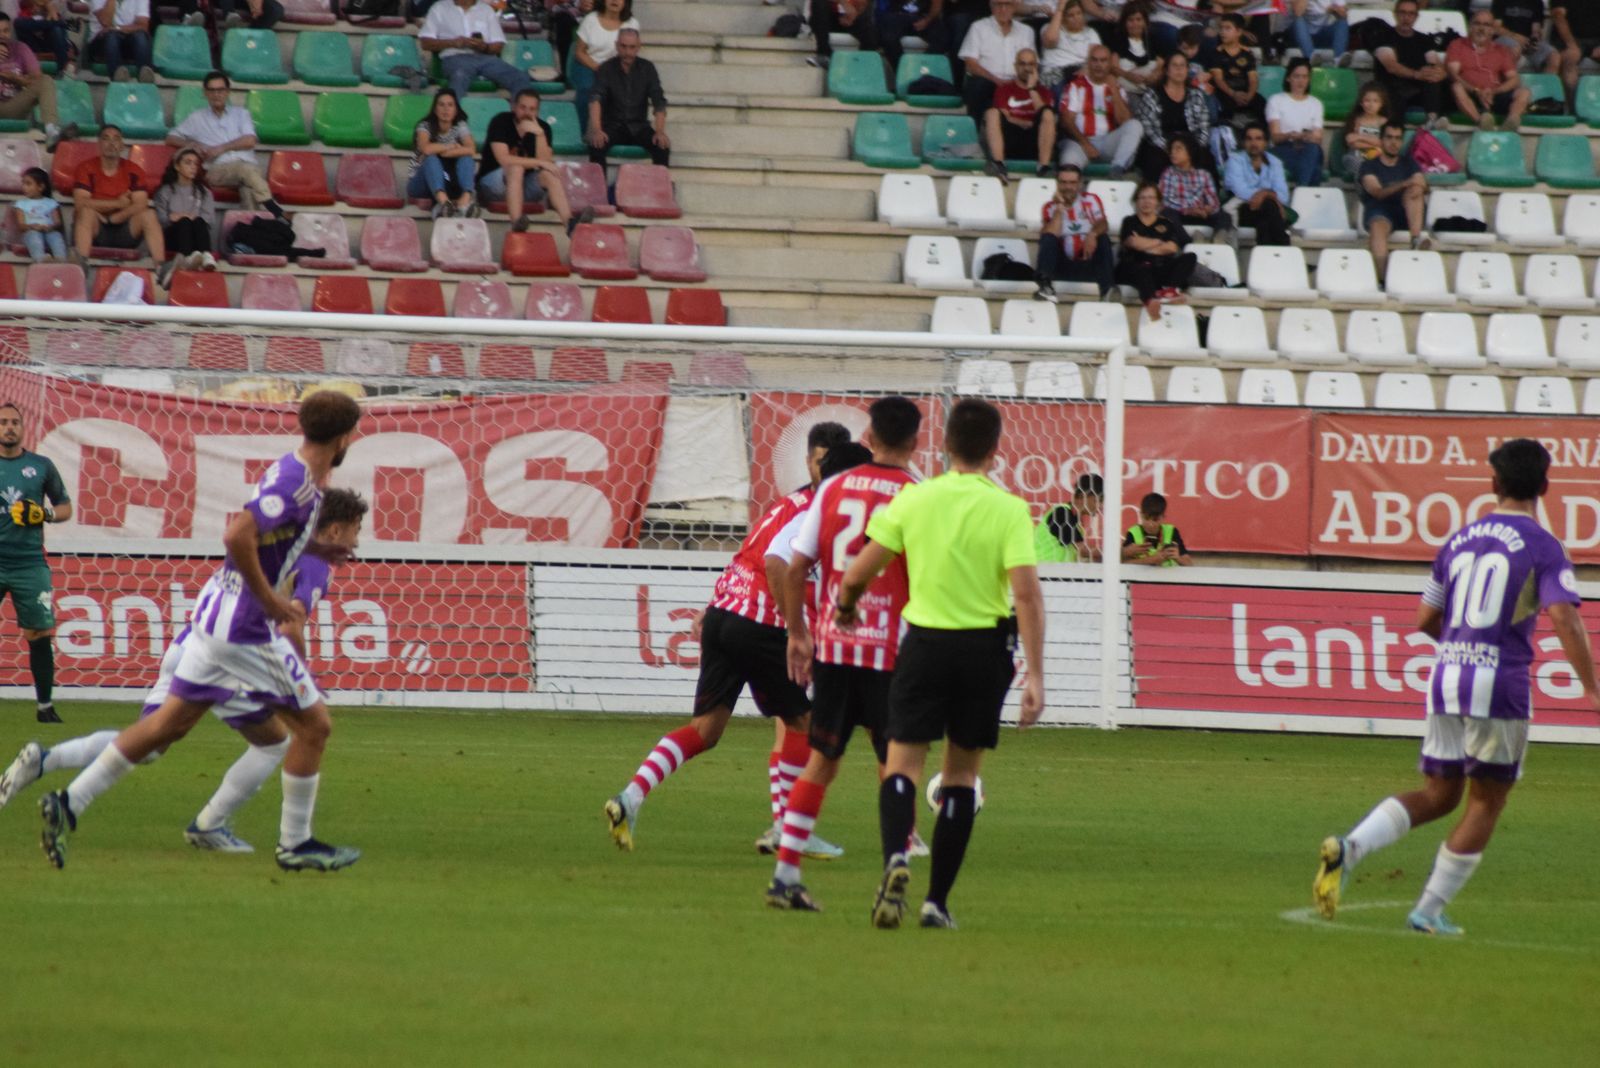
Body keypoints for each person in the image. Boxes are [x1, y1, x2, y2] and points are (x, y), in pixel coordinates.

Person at [37, 391, 365, 873]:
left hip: (214, 618)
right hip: (244, 627)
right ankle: (295, 843)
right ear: (343, 439)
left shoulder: (300, 472)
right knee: (315, 726)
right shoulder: (295, 484)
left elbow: (271, 533)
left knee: (164, 728)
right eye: (352, 433)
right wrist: (268, 596)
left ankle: (69, 802)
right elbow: (237, 534)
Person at [1312, 439, 1600, 937]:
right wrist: (1592, 688)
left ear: (1493, 483)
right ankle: (1428, 911)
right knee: (1486, 801)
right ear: (1545, 487)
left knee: (1440, 793)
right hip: (1499, 683)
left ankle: (1351, 847)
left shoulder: (1460, 540)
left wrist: (1462, 646)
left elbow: (1425, 617)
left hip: (1446, 676)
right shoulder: (1544, 547)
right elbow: (1564, 616)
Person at [0, 489, 369, 854]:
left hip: (190, 644)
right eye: (356, 529)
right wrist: (297, 676)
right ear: (335, 530)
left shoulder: (274, 546)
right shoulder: (315, 564)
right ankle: (213, 825)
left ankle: (46, 761)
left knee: (150, 742)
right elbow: (292, 624)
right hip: (232, 658)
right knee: (274, 743)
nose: (356, 541)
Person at [842, 397, 1046, 930]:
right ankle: (936, 903)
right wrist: (1036, 675)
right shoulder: (1009, 509)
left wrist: (846, 606)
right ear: (995, 450)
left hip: (926, 646)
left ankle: (896, 857)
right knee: (960, 775)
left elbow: (858, 572)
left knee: (902, 764)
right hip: (984, 651)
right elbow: (1026, 595)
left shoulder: (915, 498)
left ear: (945, 444)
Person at [604, 422, 853, 856]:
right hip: (758, 623)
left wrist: (714, 605)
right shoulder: (814, 509)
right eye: (820, 462)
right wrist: (794, 629)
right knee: (803, 723)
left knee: (707, 730)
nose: (825, 470)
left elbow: (748, 555)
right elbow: (774, 564)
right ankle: (790, 829)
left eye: (830, 462)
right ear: (809, 462)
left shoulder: (788, 503)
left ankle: (631, 797)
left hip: (726, 614)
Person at [764, 400, 924, 911]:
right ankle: (896, 859)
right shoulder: (916, 495)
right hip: (889, 651)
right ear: (915, 442)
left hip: (834, 647)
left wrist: (798, 634)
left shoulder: (832, 488)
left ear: (869, 435)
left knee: (822, 762)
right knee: (897, 762)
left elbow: (795, 567)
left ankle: (786, 876)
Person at [0, 402, 71, 725]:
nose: (9, 427)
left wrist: (44, 514)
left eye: (14, 422)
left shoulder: (41, 466)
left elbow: (65, 506)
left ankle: (45, 706)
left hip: (29, 564)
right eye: (3, 422)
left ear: (22, 427)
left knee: (39, 633)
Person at [166, 71, 283, 217]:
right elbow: (170, 138)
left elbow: (250, 141)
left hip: (249, 169)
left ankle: (252, 226)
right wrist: (192, 144)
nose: (216, 94)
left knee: (248, 189)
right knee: (245, 171)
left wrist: (221, 148)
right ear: (205, 93)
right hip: (217, 170)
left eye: (220, 90)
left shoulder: (241, 114)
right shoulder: (197, 117)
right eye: (212, 90)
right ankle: (271, 205)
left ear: (228, 92)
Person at [479, 89, 590, 236]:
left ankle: (570, 224)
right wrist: (538, 162)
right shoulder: (501, 121)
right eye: (523, 107)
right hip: (494, 185)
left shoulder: (543, 128)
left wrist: (540, 134)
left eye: (532, 109)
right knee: (516, 168)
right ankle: (516, 223)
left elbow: (545, 163)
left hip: (524, 187)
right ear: (514, 107)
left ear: (537, 111)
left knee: (549, 175)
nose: (527, 113)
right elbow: (503, 159)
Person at [72, 125, 166, 271]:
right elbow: (81, 203)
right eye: (106, 138)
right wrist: (118, 203)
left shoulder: (134, 170)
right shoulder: (85, 168)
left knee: (149, 214)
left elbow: (141, 204)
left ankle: (161, 268)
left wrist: (115, 218)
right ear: (99, 144)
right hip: (97, 228)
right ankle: (80, 267)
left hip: (125, 228)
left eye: (116, 139)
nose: (111, 143)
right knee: (85, 213)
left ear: (122, 145)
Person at [419, 0, 533, 103]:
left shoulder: (486, 10)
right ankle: (454, 118)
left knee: (520, 78)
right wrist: (454, 43)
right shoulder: (439, 8)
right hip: (454, 58)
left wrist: (484, 47)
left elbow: (498, 45)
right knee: (459, 76)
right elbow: (425, 43)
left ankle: (521, 117)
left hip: (486, 59)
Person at [586, 29, 670, 168]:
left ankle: (659, 183)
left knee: (662, 146)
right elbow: (595, 99)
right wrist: (596, 129)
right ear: (617, 46)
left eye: (632, 47)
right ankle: (599, 183)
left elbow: (658, 101)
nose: (627, 52)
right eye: (623, 46)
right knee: (596, 145)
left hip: (639, 127)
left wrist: (660, 131)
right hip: (613, 126)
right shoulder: (606, 68)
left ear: (638, 47)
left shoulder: (647, 68)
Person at [1056, 43, 1142, 174]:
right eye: (1094, 60)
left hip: (1107, 142)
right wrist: (1085, 143)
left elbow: (1125, 121)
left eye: (1103, 61)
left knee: (1135, 125)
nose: (1098, 65)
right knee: (1069, 162)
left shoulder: (1117, 88)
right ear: (1088, 63)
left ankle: (1117, 168)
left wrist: (1113, 90)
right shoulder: (1076, 85)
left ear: (1110, 64)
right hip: (1080, 142)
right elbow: (1066, 120)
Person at [1034, 164, 1114, 301]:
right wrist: (1059, 208)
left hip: (1088, 262)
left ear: (1080, 184)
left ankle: (1107, 291)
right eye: (1063, 182)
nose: (1068, 187)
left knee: (1103, 238)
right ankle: (1046, 287)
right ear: (1057, 184)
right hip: (1062, 266)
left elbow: (1103, 223)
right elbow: (1049, 235)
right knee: (1048, 238)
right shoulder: (1050, 207)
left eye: (1072, 183)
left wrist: (1093, 234)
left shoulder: (1091, 200)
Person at [1117, 181, 1196, 320]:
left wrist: (1145, 245)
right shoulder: (1129, 221)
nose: (1147, 201)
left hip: (1159, 267)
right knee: (1141, 268)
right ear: (1136, 201)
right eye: (1142, 197)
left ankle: (1169, 291)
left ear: (1158, 202)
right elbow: (1133, 243)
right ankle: (1151, 301)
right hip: (1134, 266)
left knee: (1190, 257)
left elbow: (1172, 248)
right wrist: (1159, 242)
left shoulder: (1166, 223)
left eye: (1151, 198)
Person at [1359, 120, 1430, 275]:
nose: (1393, 142)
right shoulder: (1369, 166)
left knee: (1416, 189)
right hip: (1381, 210)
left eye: (1398, 138)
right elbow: (1377, 192)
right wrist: (1405, 183)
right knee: (1377, 227)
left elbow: (1422, 184)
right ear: (1381, 140)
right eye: (1389, 137)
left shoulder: (1409, 163)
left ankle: (1415, 239)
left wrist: (1418, 185)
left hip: (1407, 211)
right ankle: (1383, 278)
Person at [1447, 7, 1532, 130]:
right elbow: (1453, 74)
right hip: (1470, 93)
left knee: (1524, 92)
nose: (1481, 29)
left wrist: (1494, 91)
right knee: (1456, 87)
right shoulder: (1457, 45)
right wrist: (1476, 90)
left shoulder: (1501, 50)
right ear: (1470, 27)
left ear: (1492, 30)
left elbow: (1514, 79)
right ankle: (1481, 122)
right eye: (1477, 24)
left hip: (1493, 94)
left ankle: (1510, 123)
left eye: (1486, 25)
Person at [1133, 50, 1211, 181]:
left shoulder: (1196, 94)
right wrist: (1171, 149)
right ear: (1167, 71)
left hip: (1189, 145)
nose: (1179, 69)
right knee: (1155, 159)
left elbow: (1204, 127)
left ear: (1187, 70)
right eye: (1175, 65)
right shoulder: (1152, 94)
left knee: (1206, 157)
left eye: (1182, 66)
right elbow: (1148, 128)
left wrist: (1192, 150)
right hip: (1160, 145)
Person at [957, 0, 1037, 121]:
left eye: (1008, 4)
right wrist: (997, 80)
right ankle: (973, 128)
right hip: (988, 83)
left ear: (1015, 6)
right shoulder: (978, 27)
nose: (1003, 9)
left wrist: (1016, 82)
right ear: (991, 6)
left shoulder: (1026, 31)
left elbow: (1033, 63)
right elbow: (970, 64)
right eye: (999, 4)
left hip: (1017, 83)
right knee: (978, 85)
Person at [1375, 0, 1450, 128]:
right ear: (1395, 14)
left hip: (1416, 89)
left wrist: (1438, 73)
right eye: (1402, 13)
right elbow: (1391, 66)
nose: (1406, 18)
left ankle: (1432, 121)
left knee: (1434, 80)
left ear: (1416, 16)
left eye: (1411, 14)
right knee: (1395, 94)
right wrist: (1416, 74)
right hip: (1391, 88)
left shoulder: (1424, 39)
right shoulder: (1383, 36)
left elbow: (1435, 63)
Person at [0, 14, 70, 151]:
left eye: (5, 31)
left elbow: (37, 78)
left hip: (13, 106)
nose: (2, 35)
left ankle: (51, 131)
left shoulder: (20, 48)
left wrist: (17, 79)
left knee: (45, 81)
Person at [984, 48, 1058, 179]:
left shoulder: (1044, 91)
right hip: (1011, 138)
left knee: (1048, 113)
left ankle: (1043, 167)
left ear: (1036, 67)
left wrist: (1031, 89)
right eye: (1022, 64)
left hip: (1035, 140)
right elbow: (1004, 116)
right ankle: (999, 165)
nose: (1027, 68)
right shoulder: (1004, 89)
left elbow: (1045, 115)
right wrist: (1026, 122)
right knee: (991, 113)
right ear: (1015, 66)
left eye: (1031, 64)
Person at [152, 147, 217, 284]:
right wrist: (174, 218)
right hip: (173, 237)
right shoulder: (165, 191)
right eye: (188, 162)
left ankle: (205, 254)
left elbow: (208, 220)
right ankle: (187, 257)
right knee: (184, 222)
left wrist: (183, 216)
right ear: (177, 166)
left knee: (198, 221)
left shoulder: (204, 192)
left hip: (196, 235)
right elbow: (161, 220)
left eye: (196, 164)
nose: (193, 167)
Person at [410, 89, 478, 219]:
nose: (446, 109)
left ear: (456, 110)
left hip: (449, 180)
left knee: (466, 159)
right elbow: (426, 149)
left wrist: (443, 152)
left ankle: (465, 201)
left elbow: (471, 149)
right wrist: (450, 146)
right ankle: (444, 204)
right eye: (441, 105)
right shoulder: (425, 126)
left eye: (450, 105)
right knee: (431, 159)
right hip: (421, 184)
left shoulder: (460, 126)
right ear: (435, 109)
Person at [1224, 122, 1292, 246]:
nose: (1254, 143)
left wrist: (1265, 194)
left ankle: (1264, 252)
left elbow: (1283, 196)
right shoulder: (1235, 160)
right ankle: (1284, 248)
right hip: (1242, 209)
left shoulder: (1275, 163)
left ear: (1265, 142)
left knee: (1265, 219)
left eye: (1258, 139)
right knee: (1269, 206)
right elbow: (1240, 190)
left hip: (1266, 211)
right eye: (1249, 139)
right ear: (1244, 142)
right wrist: (1267, 194)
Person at [1159, 133, 1232, 243]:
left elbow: (1214, 202)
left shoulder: (1203, 175)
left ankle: (1217, 241)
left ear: (1190, 153)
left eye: (1178, 149)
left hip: (1201, 214)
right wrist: (1188, 209)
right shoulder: (1168, 173)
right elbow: (1165, 201)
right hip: (1180, 215)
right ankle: (1189, 242)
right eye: (1172, 149)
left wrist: (1207, 209)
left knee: (1224, 216)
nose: (1173, 153)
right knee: (1167, 213)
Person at [1266, 59, 1325, 188]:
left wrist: (1305, 137)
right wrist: (1290, 135)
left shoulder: (1316, 103)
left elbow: (1318, 138)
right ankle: (1303, 191)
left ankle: (1301, 189)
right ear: (1288, 78)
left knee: (1313, 149)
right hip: (1284, 147)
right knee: (1315, 170)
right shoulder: (1276, 100)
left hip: (1307, 147)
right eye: (1296, 76)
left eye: (1304, 77)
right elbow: (1275, 137)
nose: (1301, 81)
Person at [1034, 472, 1102, 563]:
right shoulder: (1061, 513)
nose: (1100, 506)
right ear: (1083, 496)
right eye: (1097, 500)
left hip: (1053, 569)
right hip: (1042, 568)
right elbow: (1083, 550)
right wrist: (1113, 554)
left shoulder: (1075, 521)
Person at [1209, 14, 1264, 126]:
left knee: (1262, 105)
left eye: (1227, 28)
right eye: (1221, 28)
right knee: (1225, 107)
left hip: (1245, 91)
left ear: (1239, 32)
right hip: (1225, 92)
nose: (1222, 32)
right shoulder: (1216, 53)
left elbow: (1253, 79)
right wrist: (1233, 94)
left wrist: (1249, 95)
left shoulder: (1247, 53)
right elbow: (1218, 80)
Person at [87, 0, 153, 83]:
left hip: (128, 41)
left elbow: (142, 25)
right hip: (101, 44)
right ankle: (118, 78)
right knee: (112, 36)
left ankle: (145, 78)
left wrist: (118, 28)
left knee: (140, 36)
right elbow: (106, 22)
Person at [1121, 492, 1192, 567]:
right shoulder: (1133, 532)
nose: (1150, 524)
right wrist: (1151, 560)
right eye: (1146, 518)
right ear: (1141, 515)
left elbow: (1189, 564)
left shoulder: (1172, 531)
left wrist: (1178, 558)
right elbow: (1124, 565)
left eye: (1155, 520)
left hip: (1167, 574)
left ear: (1163, 517)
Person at [11, 168, 66, 263]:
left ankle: (61, 260)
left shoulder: (51, 203)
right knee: (34, 237)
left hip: (48, 230)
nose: (24, 187)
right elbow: (21, 225)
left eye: (28, 184)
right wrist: (32, 226)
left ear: (41, 187)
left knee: (56, 236)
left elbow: (57, 222)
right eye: (23, 184)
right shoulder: (21, 204)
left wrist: (50, 227)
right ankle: (41, 261)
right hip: (31, 232)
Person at [879, 0, 949, 74]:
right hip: (897, 15)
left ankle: (922, 67)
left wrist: (927, 21)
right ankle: (902, 71)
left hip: (924, 16)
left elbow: (937, 4)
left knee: (943, 38)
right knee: (888, 37)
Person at [1341, 81, 1393, 180]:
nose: (1371, 105)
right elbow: (1352, 143)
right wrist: (1376, 143)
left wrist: (1359, 137)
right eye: (1367, 100)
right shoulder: (1356, 120)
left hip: (1378, 158)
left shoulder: (1384, 122)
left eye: (1375, 101)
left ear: (1382, 104)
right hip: (1356, 157)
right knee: (1352, 162)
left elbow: (1385, 143)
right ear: (1361, 102)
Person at [1491, 0, 1560, 75]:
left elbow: (1536, 30)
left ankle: (1545, 82)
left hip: (1526, 42)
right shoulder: (1500, 1)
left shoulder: (1537, 3)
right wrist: (1516, 37)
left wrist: (1534, 41)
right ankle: (1510, 80)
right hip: (1505, 38)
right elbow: (1496, 28)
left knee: (1554, 56)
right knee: (1515, 49)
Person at [1040, 0, 1099, 86]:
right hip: (1055, 71)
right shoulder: (1049, 28)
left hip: (1080, 70)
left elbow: (1096, 56)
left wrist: (1087, 68)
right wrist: (1059, 10)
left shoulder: (1090, 33)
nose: (1076, 18)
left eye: (1079, 13)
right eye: (1071, 15)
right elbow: (1050, 40)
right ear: (1063, 17)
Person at [15, 0, 76, 81]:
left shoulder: (50, 12)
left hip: (51, 47)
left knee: (56, 29)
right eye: (34, 6)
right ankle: (65, 24)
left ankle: (61, 71)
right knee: (19, 23)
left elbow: (55, 18)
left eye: (38, 6)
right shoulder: (23, 17)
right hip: (33, 48)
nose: (35, 8)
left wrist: (49, 7)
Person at [1108, 0, 1161, 94]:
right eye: (1130, 20)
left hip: (1149, 91)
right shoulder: (1118, 39)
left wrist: (1155, 74)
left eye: (1139, 19)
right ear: (1124, 22)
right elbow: (1113, 68)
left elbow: (1161, 63)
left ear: (1145, 22)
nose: (1135, 24)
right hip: (1125, 91)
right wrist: (1128, 76)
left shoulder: (1151, 39)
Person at [1551, 4, 1600, 103]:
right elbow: (1558, 16)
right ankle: (1573, 105)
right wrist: (1571, 45)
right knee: (1571, 58)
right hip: (1568, 39)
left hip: (1596, 40)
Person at [809, 0, 875, 72]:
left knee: (869, 25)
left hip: (855, 17)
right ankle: (824, 55)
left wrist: (854, 14)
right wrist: (844, 3)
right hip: (830, 19)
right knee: (819, 3)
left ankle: (866, 61)